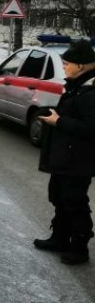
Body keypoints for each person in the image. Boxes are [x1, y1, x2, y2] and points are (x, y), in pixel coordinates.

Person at [36, 39, 95, 265]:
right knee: (59, 196)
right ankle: (59, 238)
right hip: (65, 156)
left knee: (74, 201)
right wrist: (53, 114)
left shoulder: (90, 91)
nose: (64, 67)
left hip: (79, 160)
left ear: (80, 66)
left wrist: (59, 121)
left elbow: (91, 128)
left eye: (66, 63)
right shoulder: (77, 86)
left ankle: (79, 247)